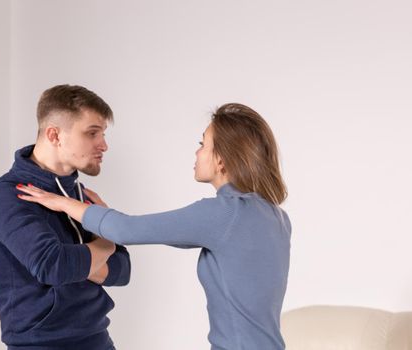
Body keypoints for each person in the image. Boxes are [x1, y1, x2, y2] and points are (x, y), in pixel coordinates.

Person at [17, 103, 291, 350]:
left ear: (221, 159)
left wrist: (62, 203)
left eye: (202, 144)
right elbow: (155, 230)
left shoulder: (224, 214)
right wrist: (103, 215)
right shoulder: (274, 216)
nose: (196, 152)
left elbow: (125, 230)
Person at [0, 84, 131, 350]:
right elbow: (54, 266)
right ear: (54, 135)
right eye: (92, 133)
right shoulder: (6, 197)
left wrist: (83, 261)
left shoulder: (81, 196)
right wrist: (105, 243)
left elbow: (122, 271)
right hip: (41, 345)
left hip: (98, 339)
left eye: (103, 134)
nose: (103, 145)